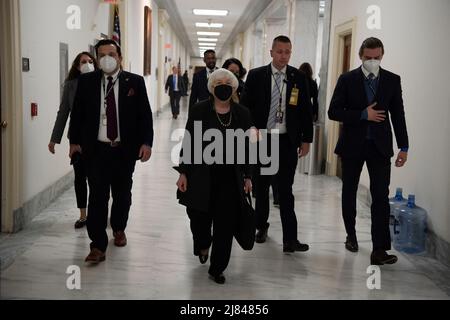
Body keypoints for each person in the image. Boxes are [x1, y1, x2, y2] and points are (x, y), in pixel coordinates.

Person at [69, 39, 154, 264]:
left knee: (122, 194)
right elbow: (77, 114)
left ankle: (118, 228)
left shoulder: (134, 82)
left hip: (124, 150)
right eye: (102, 54)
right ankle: (97, 245)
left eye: (112, 54)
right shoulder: (87, 82)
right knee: (97, 196)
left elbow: (145, 115)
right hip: (96, 150)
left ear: (120, 57)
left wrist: (147, 142)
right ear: (97, 58)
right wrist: (73, 141)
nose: (107, 58)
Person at [328, 37, 409, 265]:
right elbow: (333, 111)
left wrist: (404, 146)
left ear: (382, 55)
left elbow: (398, 115)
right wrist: (363, 114)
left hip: (380, 147)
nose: (372, 61)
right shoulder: (347, 79)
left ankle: (379, 250)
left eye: (376, 58)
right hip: (352, 145)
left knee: (381, 197)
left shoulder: (392, 80)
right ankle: (351, 236)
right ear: (360, 56)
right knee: (349, 191)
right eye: (367, 58)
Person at [175, 68, 253, 284]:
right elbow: (189, 141)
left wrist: (248, 176)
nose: (223, 85)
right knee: (198, 217)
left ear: (234, 87)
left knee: (225, 225)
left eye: (227, 82)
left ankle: (217, 267)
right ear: (211, 87)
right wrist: (183, 172)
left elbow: (249, 147)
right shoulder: (200, 110)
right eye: (218, 82)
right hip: (201, 174)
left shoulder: (243, 114)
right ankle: (202, 243)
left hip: (230, 178)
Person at [241, 35, 313, 253]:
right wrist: (251, 129)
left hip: (286, 141)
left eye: (287, 52)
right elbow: (245, 107)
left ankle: (290, 239)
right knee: (261, 188)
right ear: (271, 52)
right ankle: (260, 227)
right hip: (263, 138)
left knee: (285, 190)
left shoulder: (298, 77)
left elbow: (305, 111)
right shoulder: (256, 76)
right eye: (279, 51)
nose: (283, 55)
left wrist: (306, 139)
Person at [48, 51, 98, 229]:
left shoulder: (101, 82)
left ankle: (97, 214)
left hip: (97, 140)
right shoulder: (70, 85)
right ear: (77, 66)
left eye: (91, 61)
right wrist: (54, 139)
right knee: (80, 178)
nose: (88, 64)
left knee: (97, 179)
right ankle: (83, 215)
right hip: (76, 140)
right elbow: (63, 113)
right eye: (84, 61)